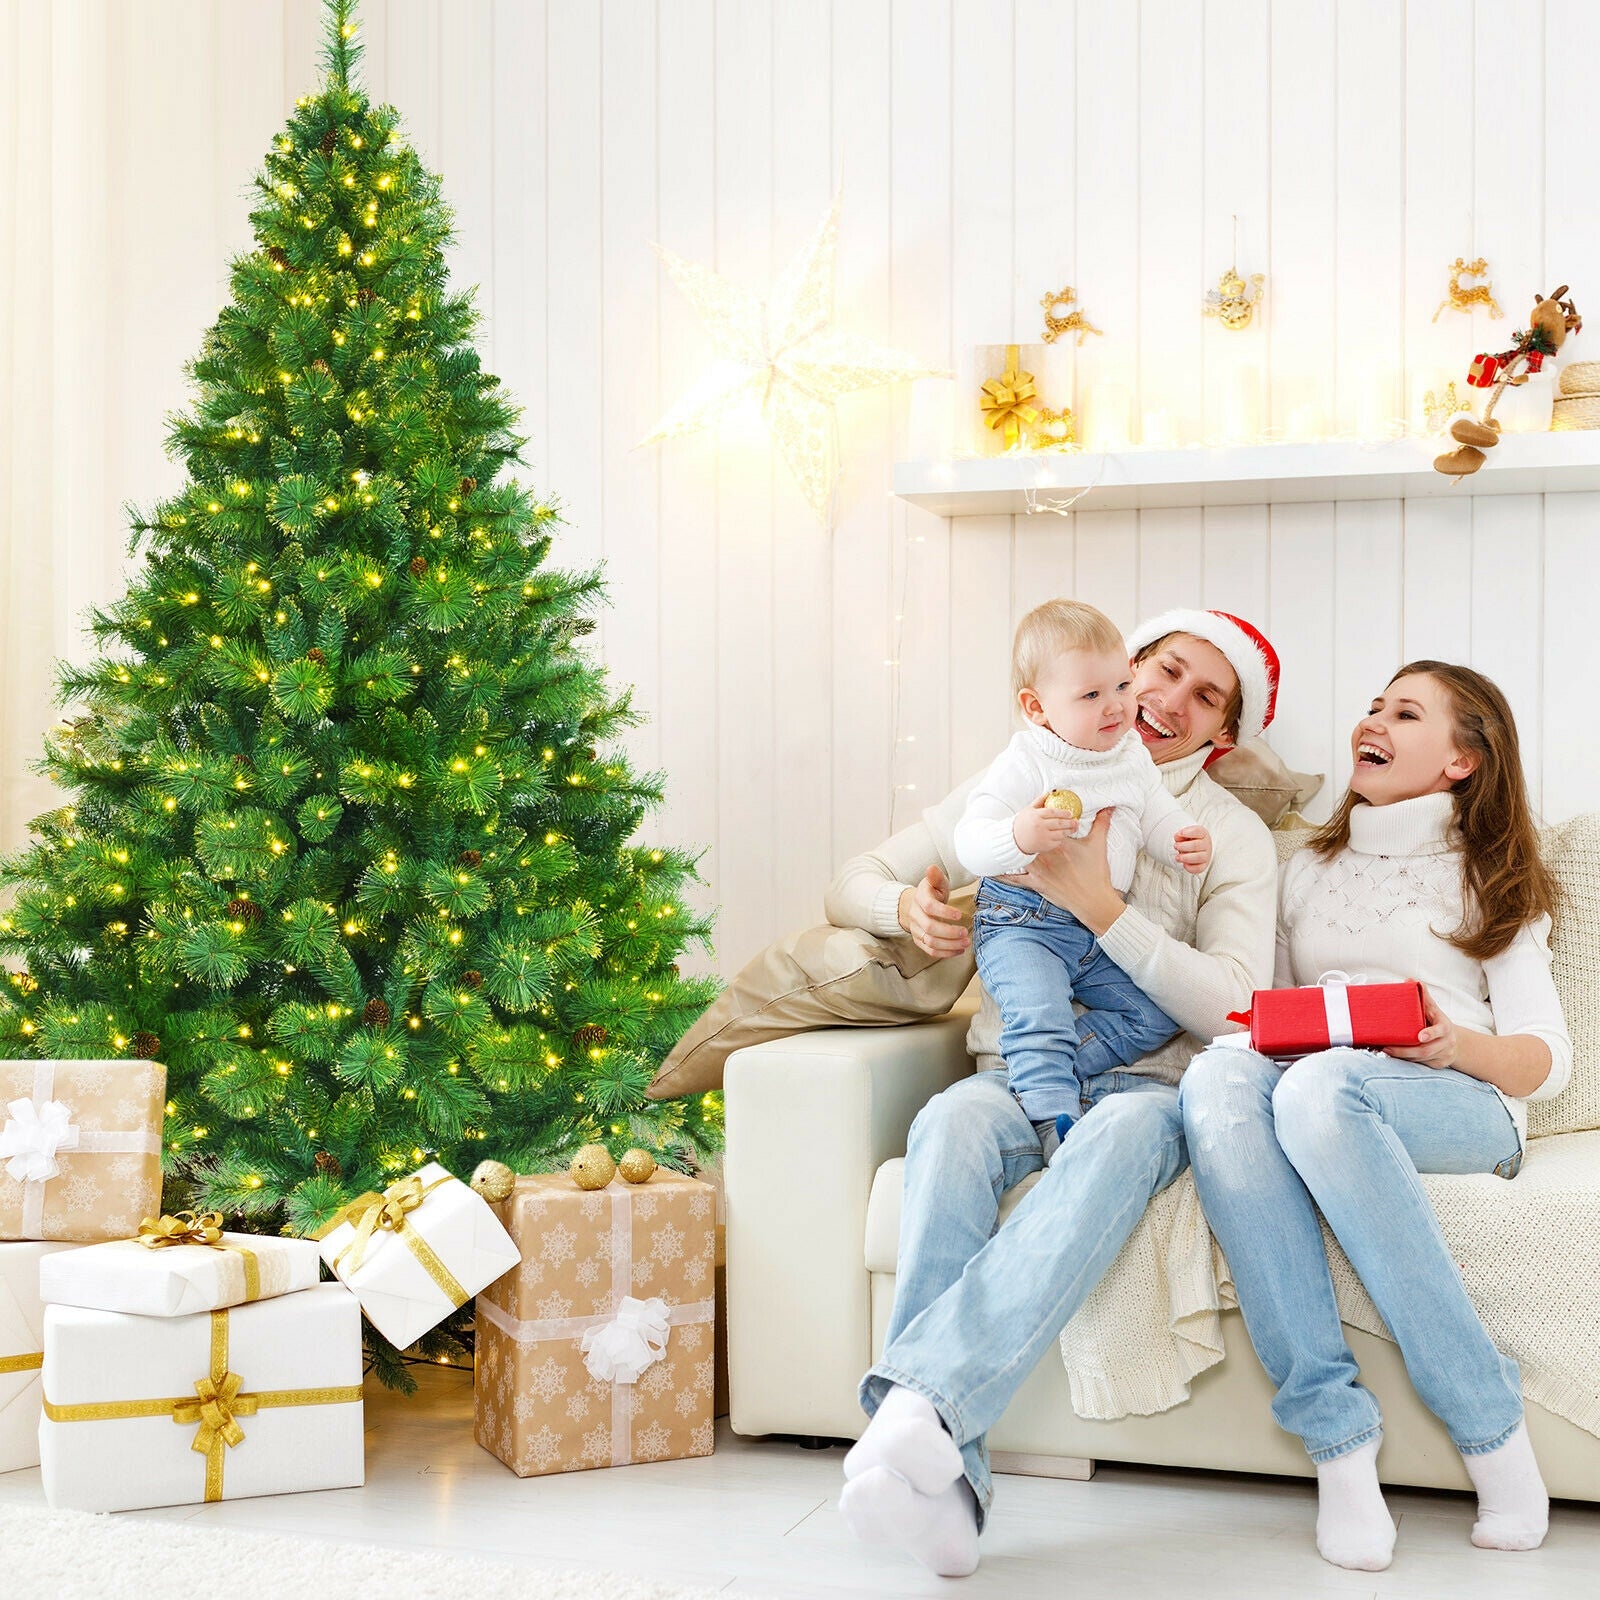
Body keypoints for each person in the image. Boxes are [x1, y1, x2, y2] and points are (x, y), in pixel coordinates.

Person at [826, 608, 1282, 1576]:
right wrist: (899, 906)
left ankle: (916, 1406)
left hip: (1144, 1085)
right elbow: (853, 879)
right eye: (1158, 670)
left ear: (1222, 734)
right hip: (1009, 1072)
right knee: (947, 1124)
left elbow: (1237, 1005)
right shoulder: (1029, 769)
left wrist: (1100, 907)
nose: (1165, 699)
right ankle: (949, 1482)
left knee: (1116, 1139)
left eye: (1205, 693)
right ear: (1115, 674)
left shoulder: (1225, 834)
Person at [1180, 662, 1571, 1573]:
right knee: (1217, 1083)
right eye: (1373, 706)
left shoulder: (1493, 872)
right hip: (1324, 1082)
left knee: (1322, 1089)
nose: (1375, 720)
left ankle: (1489, 1429)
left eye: (1406, 712)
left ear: (1463, 762)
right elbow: (1267, 1007)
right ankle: (1340, 1449)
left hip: (1463, 1102)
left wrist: (1448, 1045)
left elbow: (1545, 1062)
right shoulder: (1307, 867)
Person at [955, 599, 1211, 1142]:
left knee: (1157, 1014)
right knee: (1040, 1018)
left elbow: (1154, 811)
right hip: (1022, 923)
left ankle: (1048, 1065)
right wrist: (1018, 835)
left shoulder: (1130, 755)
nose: (1117, 707)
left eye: (1121, 685)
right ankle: (1052, 1120)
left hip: (1093, 929)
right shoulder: (1027, 760)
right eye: (1091, 695)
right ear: (1038, 707)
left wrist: (1180, 839)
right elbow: (969, 842)